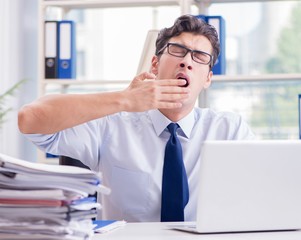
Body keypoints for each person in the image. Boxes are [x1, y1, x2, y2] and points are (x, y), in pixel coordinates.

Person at [18, 14, 254, 222]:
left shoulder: (229, 130)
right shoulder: (113, 123)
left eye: (200, 56)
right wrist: (125, 99)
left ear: (208, 79)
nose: (187, 61)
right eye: (177, 50)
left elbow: (263, 192)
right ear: (155, 65)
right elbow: (30, 118)